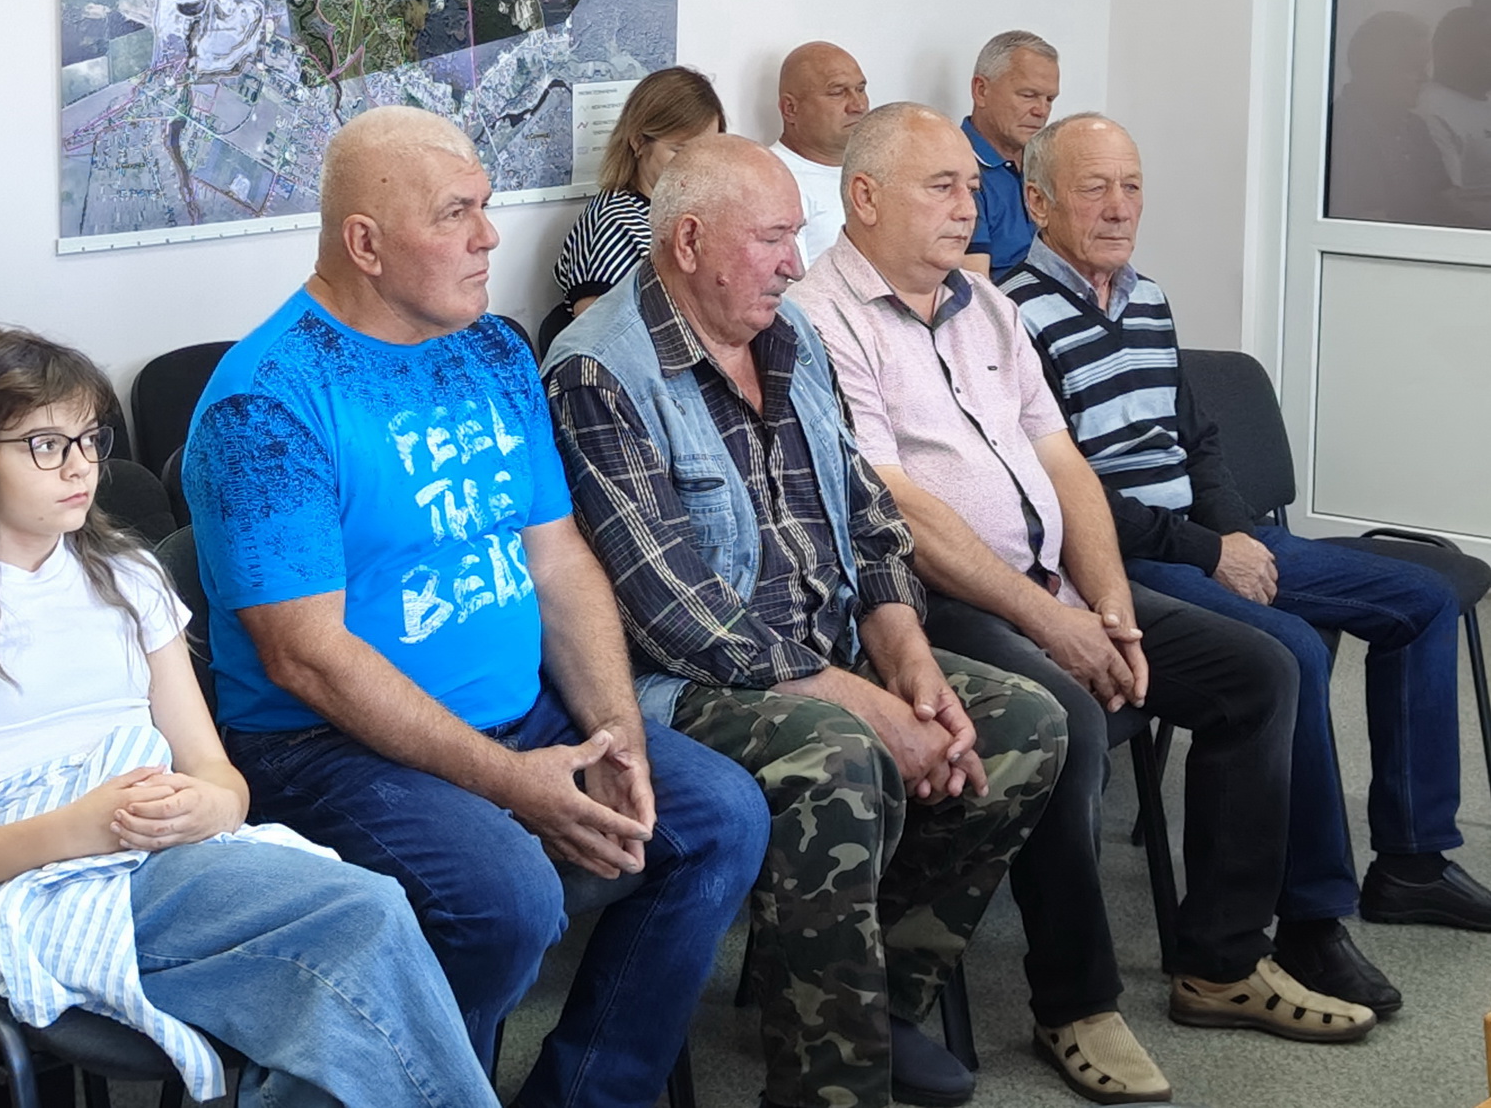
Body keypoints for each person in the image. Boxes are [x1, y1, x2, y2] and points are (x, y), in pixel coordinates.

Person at [184, 106, 769, 1108]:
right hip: (321, 747)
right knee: (505, 896)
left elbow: (558, 559)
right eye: (455, 214)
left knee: (720, 814)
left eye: (484, 207)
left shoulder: (493, 352)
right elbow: (306, 656)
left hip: (515, 711)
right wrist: (511, 784)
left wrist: (617, 736)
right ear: (365, 243)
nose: (489, 236)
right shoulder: (267, 402)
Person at [793, 103, 1376, 1106]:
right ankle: (1076, 1001)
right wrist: (1050, 621)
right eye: (943, 186)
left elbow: (1061, 459)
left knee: (1263, 670)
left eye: (972, 186)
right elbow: (893, 504)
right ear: (866, 197)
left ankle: (1222, 961)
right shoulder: (821, 320)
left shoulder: (986, 307)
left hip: (1054, 579)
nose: (969, 206)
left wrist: (1106, 601)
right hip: (932, 602)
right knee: (1062, 714)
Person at [543, 133, 1068, 1108]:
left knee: (1025, 724)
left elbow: (871, 521)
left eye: (796, 236)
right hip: (688, 685)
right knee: (840, 754)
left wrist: (909, 662)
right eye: (773, 238)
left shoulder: (789, 336)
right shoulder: (598, 371)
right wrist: (868, 706)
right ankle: (829, 1084)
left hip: (832, 650)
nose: (796, 261)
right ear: (689, 241)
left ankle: (866, 997)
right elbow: (673, 611)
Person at [0, 325, 498, 1108]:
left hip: (161, 848)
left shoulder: (128, 575)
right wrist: (80, 828)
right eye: (45, 446)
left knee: (341, 974)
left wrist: (211, 806)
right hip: (46, 879)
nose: (81, 466)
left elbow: (215, 774)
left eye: (89, 439)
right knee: (363, 918)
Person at [1001, 111, 1491, 1013]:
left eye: (1132, 186)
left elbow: (1198, 441)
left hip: (1210, 541)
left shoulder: (1148, 298)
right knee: (1292, 652)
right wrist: (1207, 551)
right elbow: (1063, 497)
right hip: (1128, 562)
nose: (1119, 207)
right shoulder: (1014, 317)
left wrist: (1239, 537)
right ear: (1038, 202)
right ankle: (1310, 918)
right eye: (1093, 187)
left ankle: (1413, 863)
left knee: (1423, 601)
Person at [553, 66, 726, 317]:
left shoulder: (694, 209)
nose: (695, 166)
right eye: (679, 151)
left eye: (706, 152)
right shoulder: (614, 225)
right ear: (638, 142)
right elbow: (598, 331)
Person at [1327, 11, 1454, 225]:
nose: (1424, 79)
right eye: (1413, 69)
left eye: (1424, 68)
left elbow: (1443, 201)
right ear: (1378, 68)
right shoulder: (1341, 130)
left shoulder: (1414, 127)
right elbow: (1369, 222)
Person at [960, 30, 1060, 280]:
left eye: (1049, 99)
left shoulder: (1050, 164)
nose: (1042, 111)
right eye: (1028, 95)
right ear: (981, 90)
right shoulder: (955, 170)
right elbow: (976, 291)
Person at [770, 41, 870, 262]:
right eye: (837, 92)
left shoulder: (878, 168)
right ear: (790, 109)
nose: (858, 106)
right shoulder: (772, 180)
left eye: (861, 90)